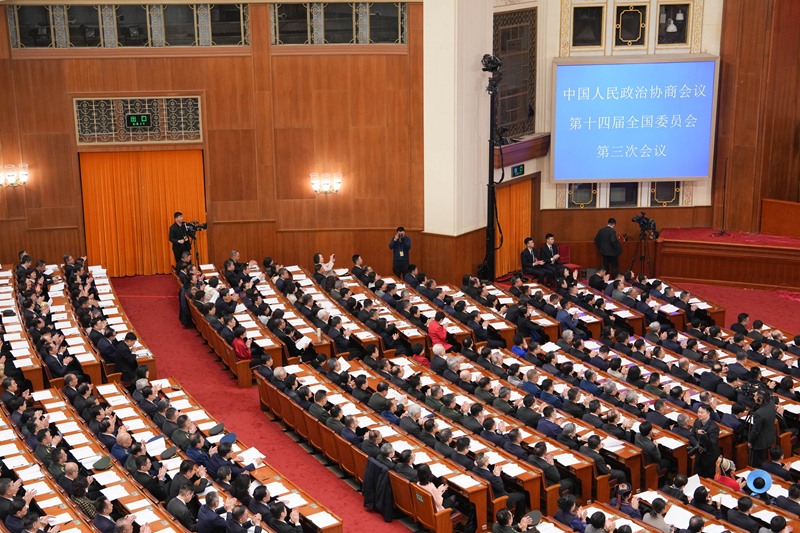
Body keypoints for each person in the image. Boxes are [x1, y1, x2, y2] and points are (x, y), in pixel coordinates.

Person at [692, 402, 720, 478]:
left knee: (708, 477)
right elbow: (692, 435)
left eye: (702, 412)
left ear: (708, 413)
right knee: (697, 474)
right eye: (698, 412)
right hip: (699, 454)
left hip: (709, 456)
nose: (699, 414)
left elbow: (712, 443)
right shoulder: (697, 421)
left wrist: (704, 435)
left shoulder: (714, 427)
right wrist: (697, 445)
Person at [749, 390, 776, 467]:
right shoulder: (771, 402)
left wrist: (750, 441)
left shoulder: (759, 413)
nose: (753, 397)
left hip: (761, 442)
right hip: (770, 435)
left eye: (755, 396)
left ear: (760, 400)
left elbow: (755, 430)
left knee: (759, 462)